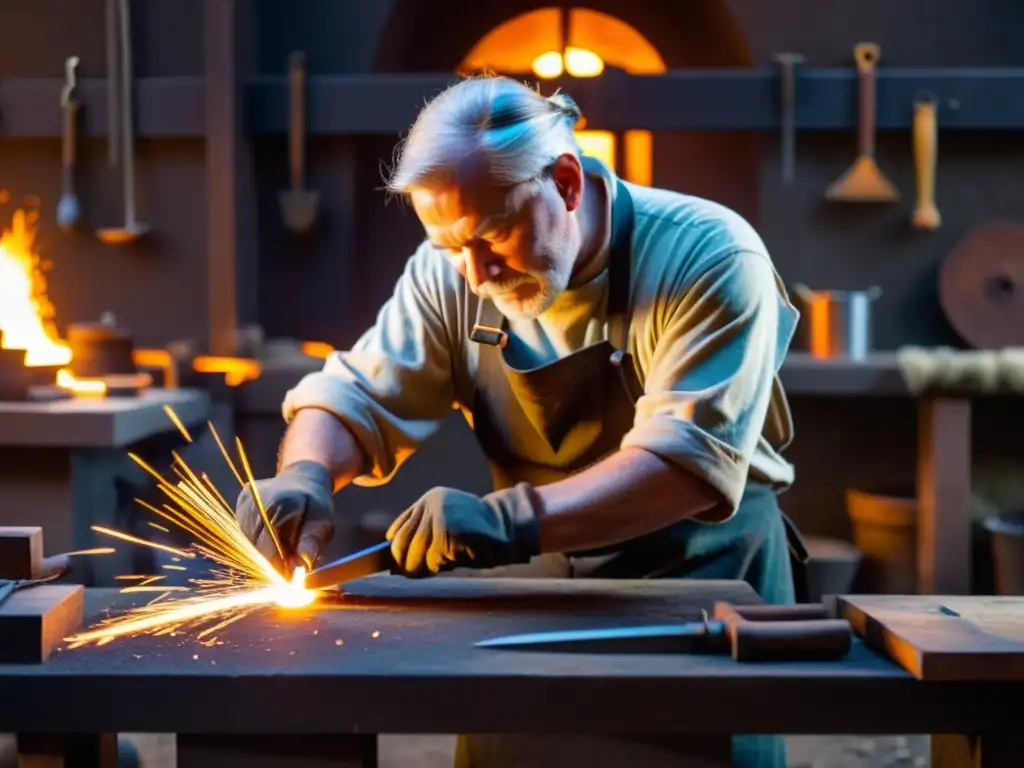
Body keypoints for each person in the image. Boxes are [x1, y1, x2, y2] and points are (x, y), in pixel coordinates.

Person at [236, 74, 802, 768]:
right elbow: (356, 396)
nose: (475, 275)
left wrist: (507, 523)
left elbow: (684, 465)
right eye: (452, 249)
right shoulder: (450, 271)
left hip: (700, 605)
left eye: (494, 236)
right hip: (536, 601)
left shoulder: (707, 255)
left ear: (565, 182)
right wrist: (307, 472)